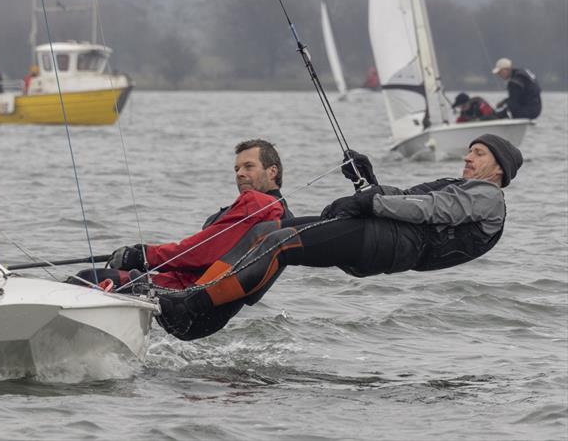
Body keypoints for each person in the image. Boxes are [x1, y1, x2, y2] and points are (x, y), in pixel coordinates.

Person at [156, 134, 523, 341]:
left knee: (279, 243)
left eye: (478, 153)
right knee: (269, 232)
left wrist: (370, 201)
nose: (468, 156)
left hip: (389, 244)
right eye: (470, 150)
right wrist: (366, 179)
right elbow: (410, 198)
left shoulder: (487, 197)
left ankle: (195, 309)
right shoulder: (465, 188)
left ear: (499, 168)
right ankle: (193, 293)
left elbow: (427, 210)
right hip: (385, 238)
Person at [68, 139, 294, 334]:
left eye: (248, 166)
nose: (240, 173)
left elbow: (202, 251)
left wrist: (142, 255)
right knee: (114, 281)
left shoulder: (259, 204)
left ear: (272, 171)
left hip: (189, 299)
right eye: (236, 169)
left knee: (88, 278)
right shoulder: (285, 216)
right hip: (210, 312)